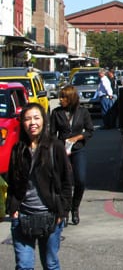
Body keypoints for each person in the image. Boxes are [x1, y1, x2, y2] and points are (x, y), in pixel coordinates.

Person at [6, 103, 74, 270]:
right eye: (28, 119)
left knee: (50, 264)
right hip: (22, 216)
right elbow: (12, 182)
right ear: (22, 123)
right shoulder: (18, 148)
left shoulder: (55, 146)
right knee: (24, 265)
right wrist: (12, 208)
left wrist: (63, 211)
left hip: (51, 216)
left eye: (36, 118)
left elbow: (67, 181)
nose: (32, 123)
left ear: (44, 121)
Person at [50, 84, 94, 225]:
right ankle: (65, 210)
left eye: (64, 97)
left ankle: (75, 208)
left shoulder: (82, 112)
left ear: (71, 98)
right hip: (62, 152)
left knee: (80, 180)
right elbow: (52, 134)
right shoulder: (56, 113)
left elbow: (89, 130)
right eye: (60, 96)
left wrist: (77, 138)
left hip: (77, 149)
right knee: (66, 182)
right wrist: (57, 146)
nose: (60, 99)